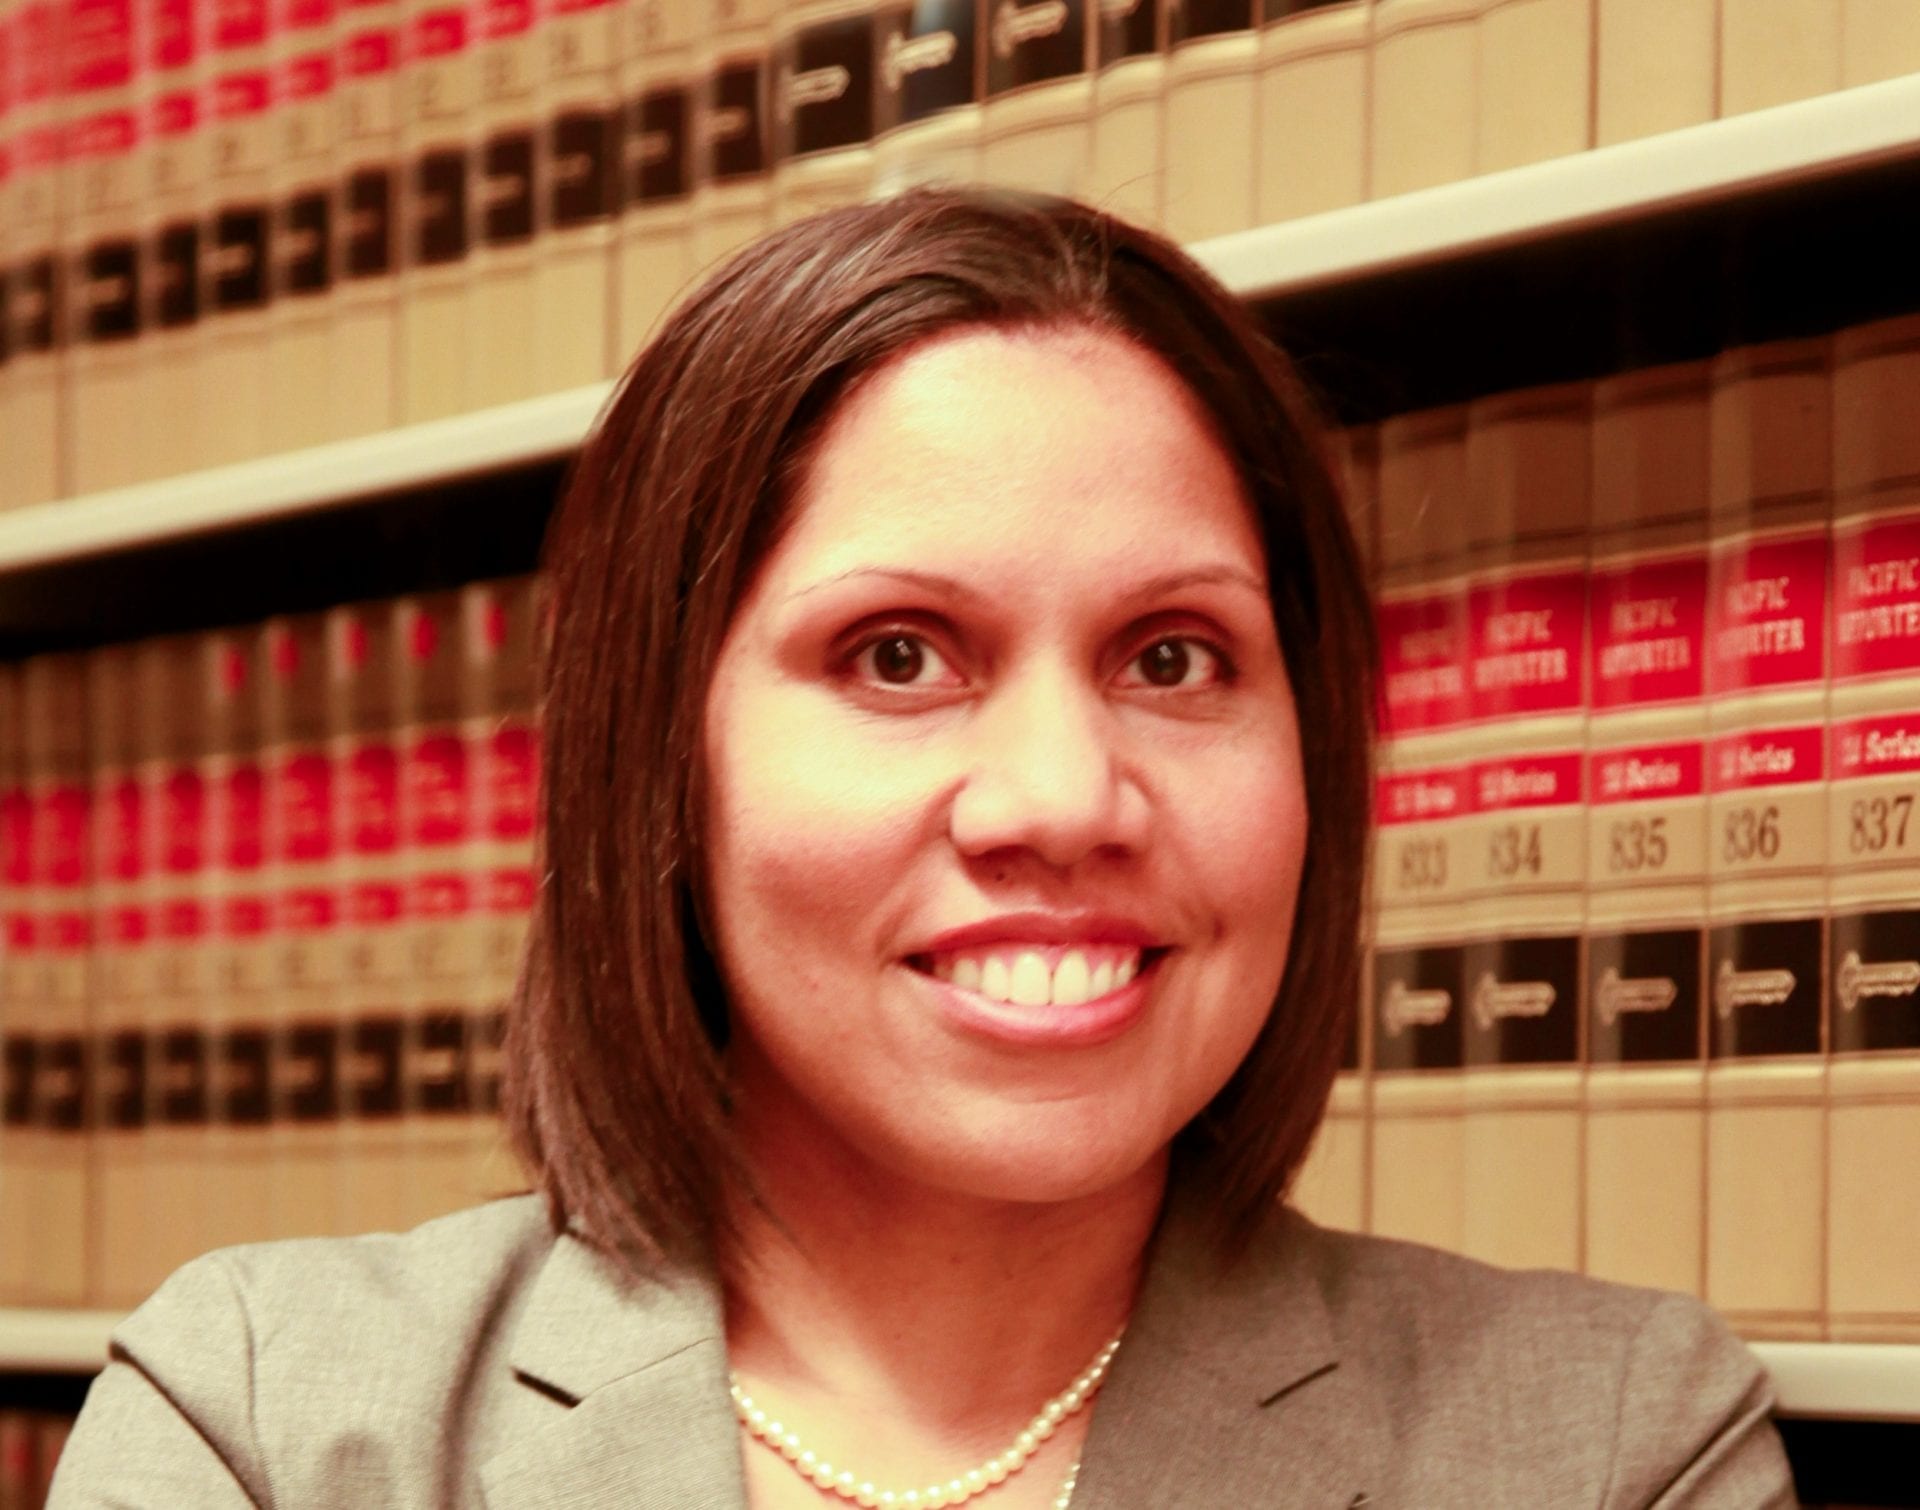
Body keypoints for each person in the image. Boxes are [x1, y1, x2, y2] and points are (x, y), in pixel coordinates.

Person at [51, 189, 1792, 1509]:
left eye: (1172, 657)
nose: (1059, 796)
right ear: (664, 755)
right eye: (900, 655)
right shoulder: (272, 1423)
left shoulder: (1610, 1444)